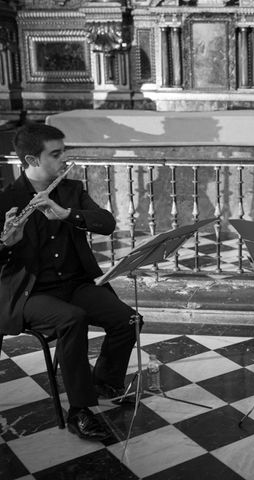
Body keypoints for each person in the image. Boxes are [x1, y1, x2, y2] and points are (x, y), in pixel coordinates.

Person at [0, 123, 138, 441]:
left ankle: (103, 384)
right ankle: (79, 411)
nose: (64, 160)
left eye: (64, 152)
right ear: (32, 160)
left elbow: (106, 223)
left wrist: (67, 214)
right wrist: (7, 243)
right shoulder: (8, 199)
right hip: (29, 293)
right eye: (56, 154)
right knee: (70, 319)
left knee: (128, 319)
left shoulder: (72, 191)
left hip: (75, 285)